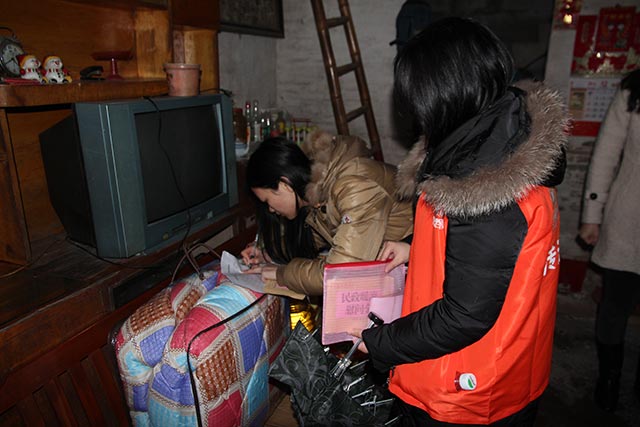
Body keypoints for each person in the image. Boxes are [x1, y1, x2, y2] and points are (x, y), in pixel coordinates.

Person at [353, 17, 568, 426]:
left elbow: (464, 315)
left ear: (443, 94)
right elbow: (488, 260)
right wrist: (414, 248)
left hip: (468, 390)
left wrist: (380, 343)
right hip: (500, 366)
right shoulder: (498, 138)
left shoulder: (488, 188)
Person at [240, 131, 414, 296]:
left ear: (284, 184)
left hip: (416, 268)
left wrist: (282, 274)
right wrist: (270, 253)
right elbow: (315, 236)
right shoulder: (317, 189)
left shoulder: (352, 187)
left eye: (267, 201)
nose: (270, 209)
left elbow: (340, 274)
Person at [578, 69, 640, 413]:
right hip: (630, 218)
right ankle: (609, 377)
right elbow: (605, 155)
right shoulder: (633, 92)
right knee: (616, 304)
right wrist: (592, 216)